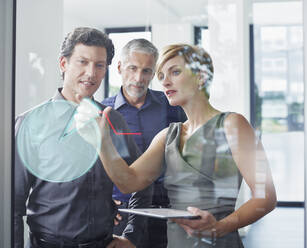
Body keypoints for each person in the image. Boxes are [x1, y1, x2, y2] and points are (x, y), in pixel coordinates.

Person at [76, 43, 277, 247]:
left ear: (201, 77)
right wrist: (102, 143)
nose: (165, 82)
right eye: (161, 76)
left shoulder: (233, 124)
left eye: (175, 72)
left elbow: (266, 197)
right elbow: (128, 182)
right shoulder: (167, 135)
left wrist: (219, 227)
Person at [14, 27, 152, 248]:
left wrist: (132, 235)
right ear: (63, 64)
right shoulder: (30, 124)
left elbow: (142, 182)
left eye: (99, 65)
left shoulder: (113, 121)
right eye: (82, 62)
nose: (91, 73)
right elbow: (12, 205)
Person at [102, 38, 186, 248]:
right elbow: (93, 166)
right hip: (120, 214)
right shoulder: (103, 112)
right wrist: (101, 202)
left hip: (164, 212)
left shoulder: (172, 107)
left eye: (147, 71)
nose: (139, 78)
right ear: (120, 67)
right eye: (132, 68)